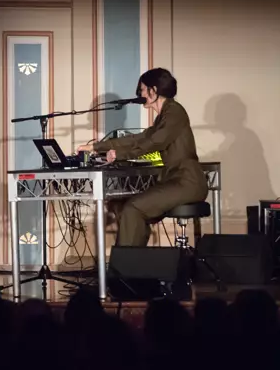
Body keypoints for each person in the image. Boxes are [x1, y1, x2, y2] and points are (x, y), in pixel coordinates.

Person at [76, 68, 207, 246]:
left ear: (153, 91)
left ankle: (126, 269)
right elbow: (139, 138)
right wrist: (95, 147)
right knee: (121, 206)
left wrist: (120, 154)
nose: (140, 94)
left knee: (134, 207)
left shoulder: (175, 112)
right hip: (174, 180)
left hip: (187, 183)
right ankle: (136, 262)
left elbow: (156, 142)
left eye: (142, 89)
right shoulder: (164, 117)